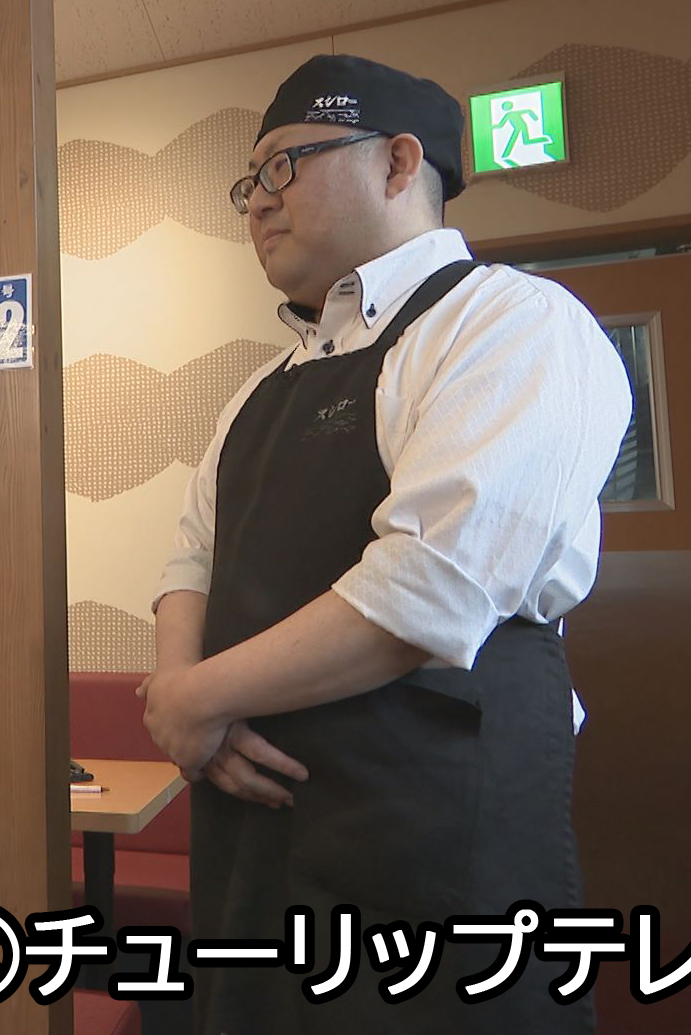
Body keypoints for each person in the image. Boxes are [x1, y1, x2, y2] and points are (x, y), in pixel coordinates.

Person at [139, 55, 631, 1031]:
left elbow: (429, 586)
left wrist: (195, 700)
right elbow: (191, 558)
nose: (257, 202)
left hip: (433, 833)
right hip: (254, 835)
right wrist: (182, 691)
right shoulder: (258, 390)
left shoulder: (511, 321)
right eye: (249, 182)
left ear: (400, 163)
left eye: (284, 166)